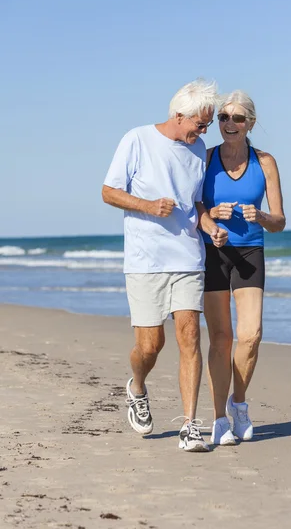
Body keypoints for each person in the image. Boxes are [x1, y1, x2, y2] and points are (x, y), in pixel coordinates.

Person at [102, 79, 228, 452]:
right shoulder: (137, 139)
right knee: (150, 345)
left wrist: (208, 226)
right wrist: (148, 205)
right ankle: (137, 386)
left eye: (206, 126)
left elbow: (196, 204)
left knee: (190, 335)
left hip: (188, 257)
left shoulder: (198, 150)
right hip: (145, 260)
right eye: (200, 125)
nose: (204, 132)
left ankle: (190, 425)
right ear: (178, 115)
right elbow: (108, 192)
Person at [202, 90, 286, 445]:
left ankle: (239, 404)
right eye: (223, 117)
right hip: (213, 254)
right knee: (221, 338)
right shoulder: (205, 159)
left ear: (250, 123)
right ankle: (219, 419)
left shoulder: (264, 161)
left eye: (237, 118)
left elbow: (280, 220)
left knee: (250, 335)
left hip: (250, 251)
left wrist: (262, 216)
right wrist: (210, 218)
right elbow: (191, 210)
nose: (229, 124)